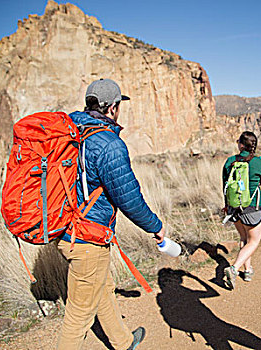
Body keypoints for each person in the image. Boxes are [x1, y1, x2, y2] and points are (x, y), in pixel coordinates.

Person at [57, 78, 165, 350]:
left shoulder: (72, 131)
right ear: (113, 108)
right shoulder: (108, 143)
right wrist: (156, 227)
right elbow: (128, 197)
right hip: (86, 238)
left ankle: (122, 341)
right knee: (78, 316)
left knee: (103, 287)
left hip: (67, 229)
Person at [222, 131, 261, 289]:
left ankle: (248, 270)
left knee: (244, 238)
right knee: (254, 241)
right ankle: (234, 268)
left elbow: (225, 187)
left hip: (234, 208)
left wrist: (227, 205)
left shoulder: (230, 161)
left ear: (242, 145)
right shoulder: (260, 163)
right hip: (252, 209)